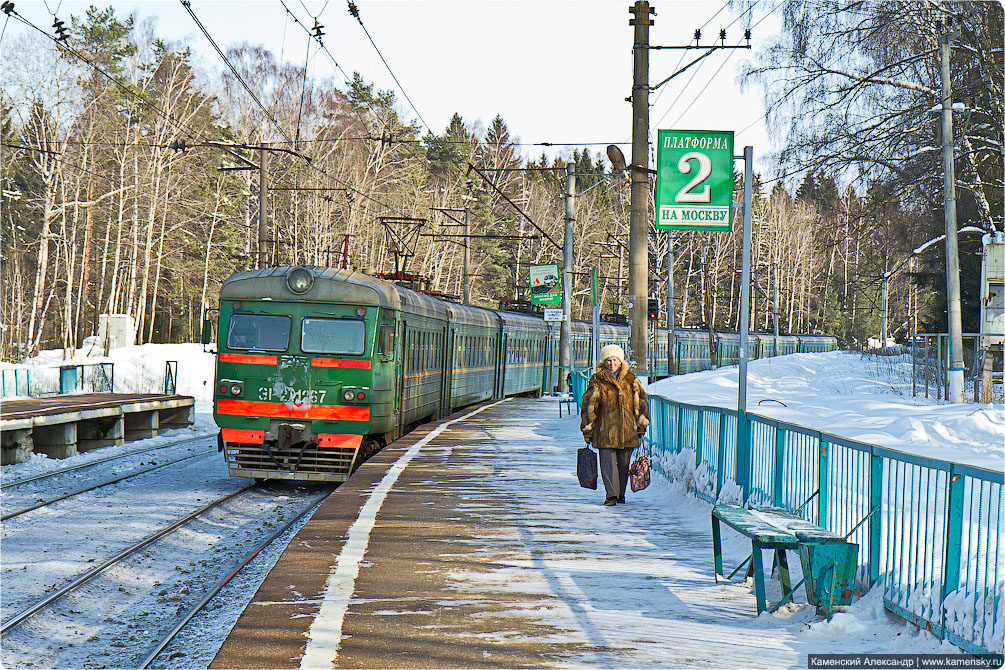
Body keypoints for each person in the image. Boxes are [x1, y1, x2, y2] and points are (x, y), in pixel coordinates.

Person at [579, 344, 650, 506]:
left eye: (615, 360)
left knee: (624, 465)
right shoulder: (597, 381)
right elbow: (589, 407)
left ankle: (620, 494)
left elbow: (641, 404)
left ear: (620, 361)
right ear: (604, 362)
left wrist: (641, 425)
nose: (612, 363)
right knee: (608, 464)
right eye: (608, 360)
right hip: (605, 431)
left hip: (628, 430)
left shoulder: (632, 380)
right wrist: (587, 428)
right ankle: (611, 495)